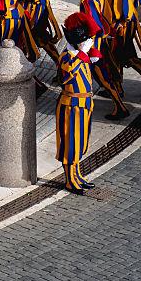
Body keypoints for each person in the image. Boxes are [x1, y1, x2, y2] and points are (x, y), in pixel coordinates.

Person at [69, 0, 128, 118]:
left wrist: (91, 48)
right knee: (105, 75)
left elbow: (92, 25)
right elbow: (106, 15)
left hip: (94, 45)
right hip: (102, 40)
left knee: (103, 78)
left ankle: (120, 107)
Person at [55, 12, 101, 194]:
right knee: (70, 144)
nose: (88, 42)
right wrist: (82, 54)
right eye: (85, 40)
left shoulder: (80, 55)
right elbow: (66, 75)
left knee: (80, 143)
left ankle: (77, 175)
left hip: (84, 104)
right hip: (71, 105)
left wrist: (88, 53)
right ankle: (69, 180)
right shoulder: (67, 57)